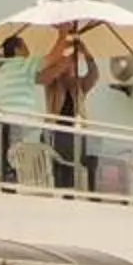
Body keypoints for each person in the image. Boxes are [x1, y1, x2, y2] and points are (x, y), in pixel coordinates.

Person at [35, 29, 100, 190]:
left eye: (72, 66)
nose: (71, 69)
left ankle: (82, 192)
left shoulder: (78, 85)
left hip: (75, 132)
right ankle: (61, 194)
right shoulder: (54, 84)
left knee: (87, 159)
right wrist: (64, 62)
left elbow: (94, 75)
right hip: (56, 132)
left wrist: (86, 53)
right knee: (59, 170)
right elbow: (41, 77)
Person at [0, 35, 41, 184]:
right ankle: (12, 181)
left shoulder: (3, 69)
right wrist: (63, 36)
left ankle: (7, 181)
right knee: (15, 154)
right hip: (17, 118)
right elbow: (52, 58)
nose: (28, 50)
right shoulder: (24, 64)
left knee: (8, 153)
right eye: (25, 46)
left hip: (3, 118)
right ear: (18, 49)